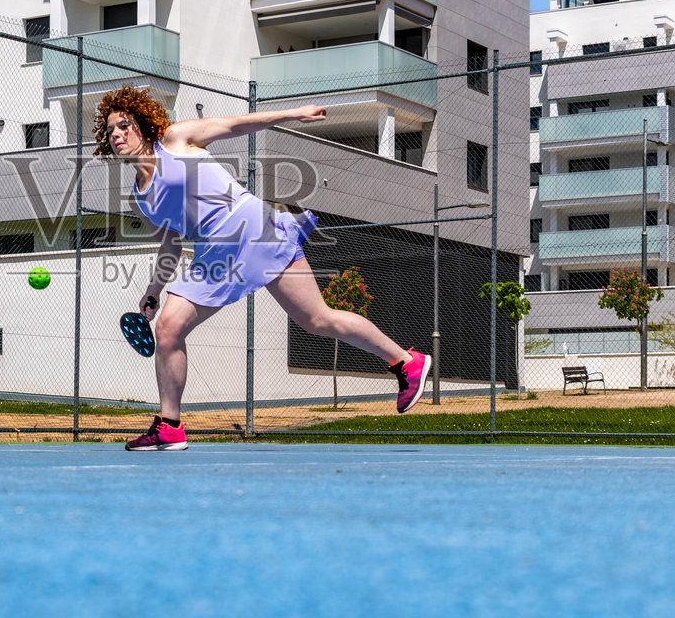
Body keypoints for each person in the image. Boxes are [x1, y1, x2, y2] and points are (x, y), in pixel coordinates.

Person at [93, 85, 432, 451]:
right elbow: (172, 241)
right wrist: (154, 290)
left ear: (142, 125)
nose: (117, 134)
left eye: (124, 125)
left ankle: (405, 362)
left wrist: (292, 113)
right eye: (111, 130)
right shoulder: (142, 198)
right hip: (215, 250)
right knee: (178, 326)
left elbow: (236, 124)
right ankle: (169, 427)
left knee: (310, 320)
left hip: (250, 226)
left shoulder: (175, 140)